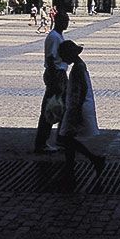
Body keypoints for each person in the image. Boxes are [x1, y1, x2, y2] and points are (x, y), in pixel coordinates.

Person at [57, 39, 105, 188]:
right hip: (75, 106)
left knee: (66, 139)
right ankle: (72, 169)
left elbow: (81, 89)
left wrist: (75, 110)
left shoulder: (78, 68)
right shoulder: (79, 66)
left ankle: (93, 159)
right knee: (67, 140)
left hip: (75, 108)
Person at [34, 10, 69, 154]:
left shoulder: (57, 35)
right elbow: (50, 58)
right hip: (56, 74)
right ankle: (42, 142)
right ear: (58, 21)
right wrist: (56, 80)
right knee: (49, 109)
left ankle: (59, 139)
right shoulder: (54, 37)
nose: (67, 22)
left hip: (58, 73)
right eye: (65, 20)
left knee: (62, 107)